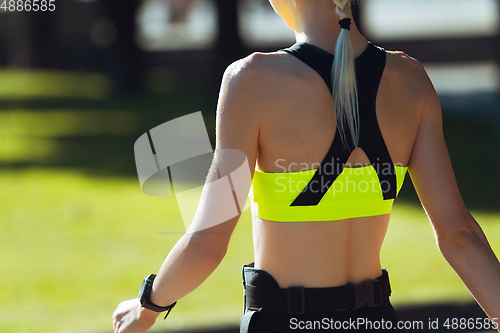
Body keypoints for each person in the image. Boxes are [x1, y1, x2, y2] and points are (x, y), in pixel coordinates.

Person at [112, 1, 500, 332]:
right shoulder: (411, 80)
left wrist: (147, 307)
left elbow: (207, 242)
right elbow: (460, 236)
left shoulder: (252, 80)